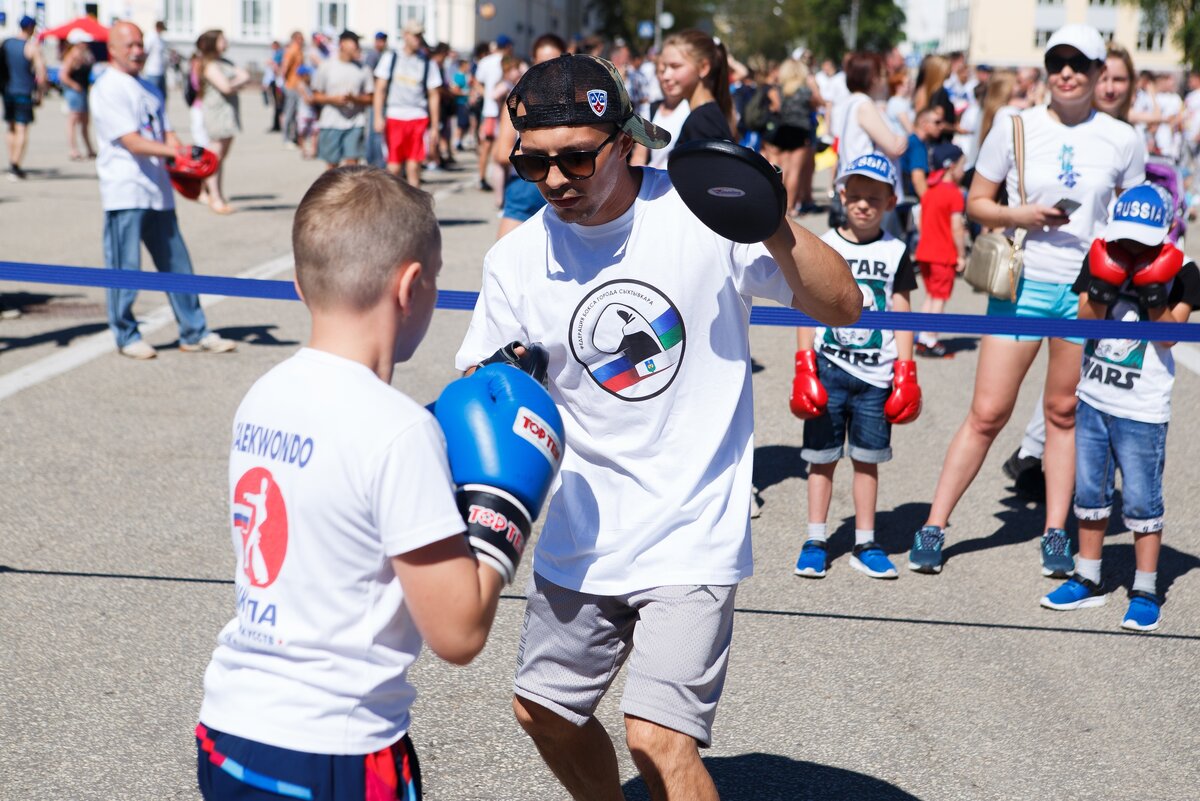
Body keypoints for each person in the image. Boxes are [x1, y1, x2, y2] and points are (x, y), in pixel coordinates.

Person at [454, 53, 860, 801]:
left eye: (575, 157)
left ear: (625, 140)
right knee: (540, 710)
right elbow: (484, 400)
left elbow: (843, 306)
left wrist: (773, 222)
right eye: (532, 163)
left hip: (689, 524)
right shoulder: (514, 260)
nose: (554, 181)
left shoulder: (706, 213)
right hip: (583, 529)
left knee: (657, 737)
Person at [195, 167, 549, 801]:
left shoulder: (264, 395)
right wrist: (503, 507)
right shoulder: (397, 432)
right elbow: (458, 633)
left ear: (305, 282)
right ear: (412, 287)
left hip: (230, 728)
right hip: (333, 749)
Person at [907, 24, 1144, 577]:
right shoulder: (1016, 126)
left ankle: (1055, 533)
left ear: (1095, 72)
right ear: (1046, 68)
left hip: (1087, 294)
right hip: (1024, 286)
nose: (1067, 73)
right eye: (1057, 61)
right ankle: (934, 523)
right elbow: (978, 202)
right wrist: (1025, 216)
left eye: (1079, 64)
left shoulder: (1122, 137)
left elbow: (1134, 220)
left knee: (1063, 414)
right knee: (987, 413)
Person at [1040, 184, 1200, 632]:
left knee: (1142, 500)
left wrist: (1152, 294)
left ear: (1164, 233)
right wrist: (1105, 286)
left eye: (1140, 240)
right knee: (1090, 494)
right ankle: (1088, 576)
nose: (1130, 247)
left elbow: (1171, 336)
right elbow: (1084, 322)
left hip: (1143, 408)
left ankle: (1146, 588)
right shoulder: (1100, 257)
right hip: (1094, 397)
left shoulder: (1184, 271)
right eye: (1124, 236)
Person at [1004, 42, 1140, 493]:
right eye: (1107, 78)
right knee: (1061, 396)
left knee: (1084, 390)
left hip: (1101, 282)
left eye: (1118, 80)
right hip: (1040, 279)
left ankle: (1058, 471)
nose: (1110, 87)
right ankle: (1032, 454)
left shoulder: (1124, 137)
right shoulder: (1048, 126)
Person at [790, 155, 921, 581]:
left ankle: (865, 541)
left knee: (867, 460)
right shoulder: (826, 242)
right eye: (857, 196)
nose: (864, 205)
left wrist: (907, 368)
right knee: (821, 459)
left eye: (874, 198)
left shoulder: (896, 250)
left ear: (891, 202)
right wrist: (804, 362)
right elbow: (808, 303)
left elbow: (901, 306)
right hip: (829, 366)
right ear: (842, 195)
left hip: (876, 375)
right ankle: (815, 538)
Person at [89, 21, 236, 360]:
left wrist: (186, 161)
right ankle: (126, 335)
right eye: (130, 45)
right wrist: (177, 153)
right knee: (125, 268)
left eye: (140, 44)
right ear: (112, 49)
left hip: (158, 190)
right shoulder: (108, 87)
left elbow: (166, 134)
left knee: (177, 265)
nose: (138, 50)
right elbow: (132, 140)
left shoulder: (150, 89)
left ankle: (194, 331)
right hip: (125, 190)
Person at [494, 33, 566, 239]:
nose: (548, 69)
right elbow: (501, 153)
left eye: (555, 62)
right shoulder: (517, 100)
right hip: (525, 186)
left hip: (567, 185)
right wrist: (536, 157)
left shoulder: (576, 100)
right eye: (542, 63)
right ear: (534, 63)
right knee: (504, 258)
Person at [829, 51, 908, 228]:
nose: (884, 78)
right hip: (871, 184)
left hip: (858, 181)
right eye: (881, 74)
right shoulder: (863, 104)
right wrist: (903, 137)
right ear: (872, 78)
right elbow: (894, 147)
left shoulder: (851, 101)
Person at [913, 143, 967, 357]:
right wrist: (962, 254)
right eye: (962, 165)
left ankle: (922, 336)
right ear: (951, 167)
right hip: (943, 255)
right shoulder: (954, 194)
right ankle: (930, 340)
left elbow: (920, 222)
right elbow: (957, 227)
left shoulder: (929, 192)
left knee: (930, 296)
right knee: (939, 299)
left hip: (925, 251)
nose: (963, 170)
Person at [373, 19, 441, 186]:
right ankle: (392, 206)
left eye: (420, 35)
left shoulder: (427, 62)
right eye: (415, 35)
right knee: (394, 167)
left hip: (418, 117)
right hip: (395, 116)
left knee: (413, 167)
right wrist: (377, 116)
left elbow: (434, 95)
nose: (418, 39)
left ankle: (413, 207)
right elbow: (380, 88)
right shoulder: (391, 57)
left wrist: (434, 127)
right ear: (405, 35)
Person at [196, 29, 250, 214]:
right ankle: (215, 197)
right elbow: (226, 87)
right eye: (221, 39)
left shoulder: (224, 62)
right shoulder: (210, 65)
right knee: (215, 156)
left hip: (228, 113)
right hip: (216, 113)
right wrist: (238, 82)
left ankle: (210, 190)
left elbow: (245, 76)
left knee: (221, 157)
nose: (225, 41)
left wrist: (236, 82)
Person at [662, 30, 737, 145]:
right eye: (664, 67)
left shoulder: (703, 122)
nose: (665, 76)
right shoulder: (706, 116)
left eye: (675, 66)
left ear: (703, 68)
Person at [312, 30, 373, 170]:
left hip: (355, 123)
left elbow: (371, 98)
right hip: (331, 122)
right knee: (332, 167)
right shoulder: (326, 66)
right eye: (354, 42)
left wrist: (355, 99)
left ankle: (349, 192)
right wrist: (332, 99)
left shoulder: (364, 69)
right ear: (342, 44)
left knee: (352, 166)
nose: (357, 46)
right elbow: (316, 95)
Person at [768, 57, 821, 216]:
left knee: (784, 170)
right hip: (800, 131)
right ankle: (790, 207)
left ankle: (781, 206)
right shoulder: (805, 90)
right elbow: (819, 103)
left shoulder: (780, 89)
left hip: (783, 131)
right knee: (795, 172)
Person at [3, 15, 47, 181]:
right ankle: (16, 164)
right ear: (31, 28)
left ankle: (11, 160)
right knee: (22, 128)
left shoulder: (7, 44)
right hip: (23, 91)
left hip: (8, 91)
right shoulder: (31, 47)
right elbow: (41, 73)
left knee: (11, 127)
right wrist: (41, 94)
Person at [473, 35, 513, 191]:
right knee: (500, 148)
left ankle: (482, 178)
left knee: (486, 147)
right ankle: (501, 184)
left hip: (489, 111)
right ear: (508, 46)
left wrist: (486, 95)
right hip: (502, 112)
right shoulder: (508, 61)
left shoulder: (485, 61)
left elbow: (475, 82)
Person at [59, 30, 97, 161]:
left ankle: (89, 148)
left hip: (83, 91)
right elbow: (63, 75)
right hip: (74, 92)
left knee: (86, 121)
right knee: (73, 120)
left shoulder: (85, 55)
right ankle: (73, 149)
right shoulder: (72, 55)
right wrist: (74, 85)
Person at [280, 31, 305, 147]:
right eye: (300, 38)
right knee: (289, 112)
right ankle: (286, 138)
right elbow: (285, 67)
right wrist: (284, 81)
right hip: (291, 85)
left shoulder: (299, 50)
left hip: (298, 85)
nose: (302, 40)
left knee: (295, 113)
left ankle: (293, 136)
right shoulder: (292, 50)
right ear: (295, 39)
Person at [143, 20, 168, 97]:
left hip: (161, 71)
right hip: (152, 71)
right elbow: (145, 52)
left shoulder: (160, 39)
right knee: (152, 95)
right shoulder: (150, 37)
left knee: (162, 95)